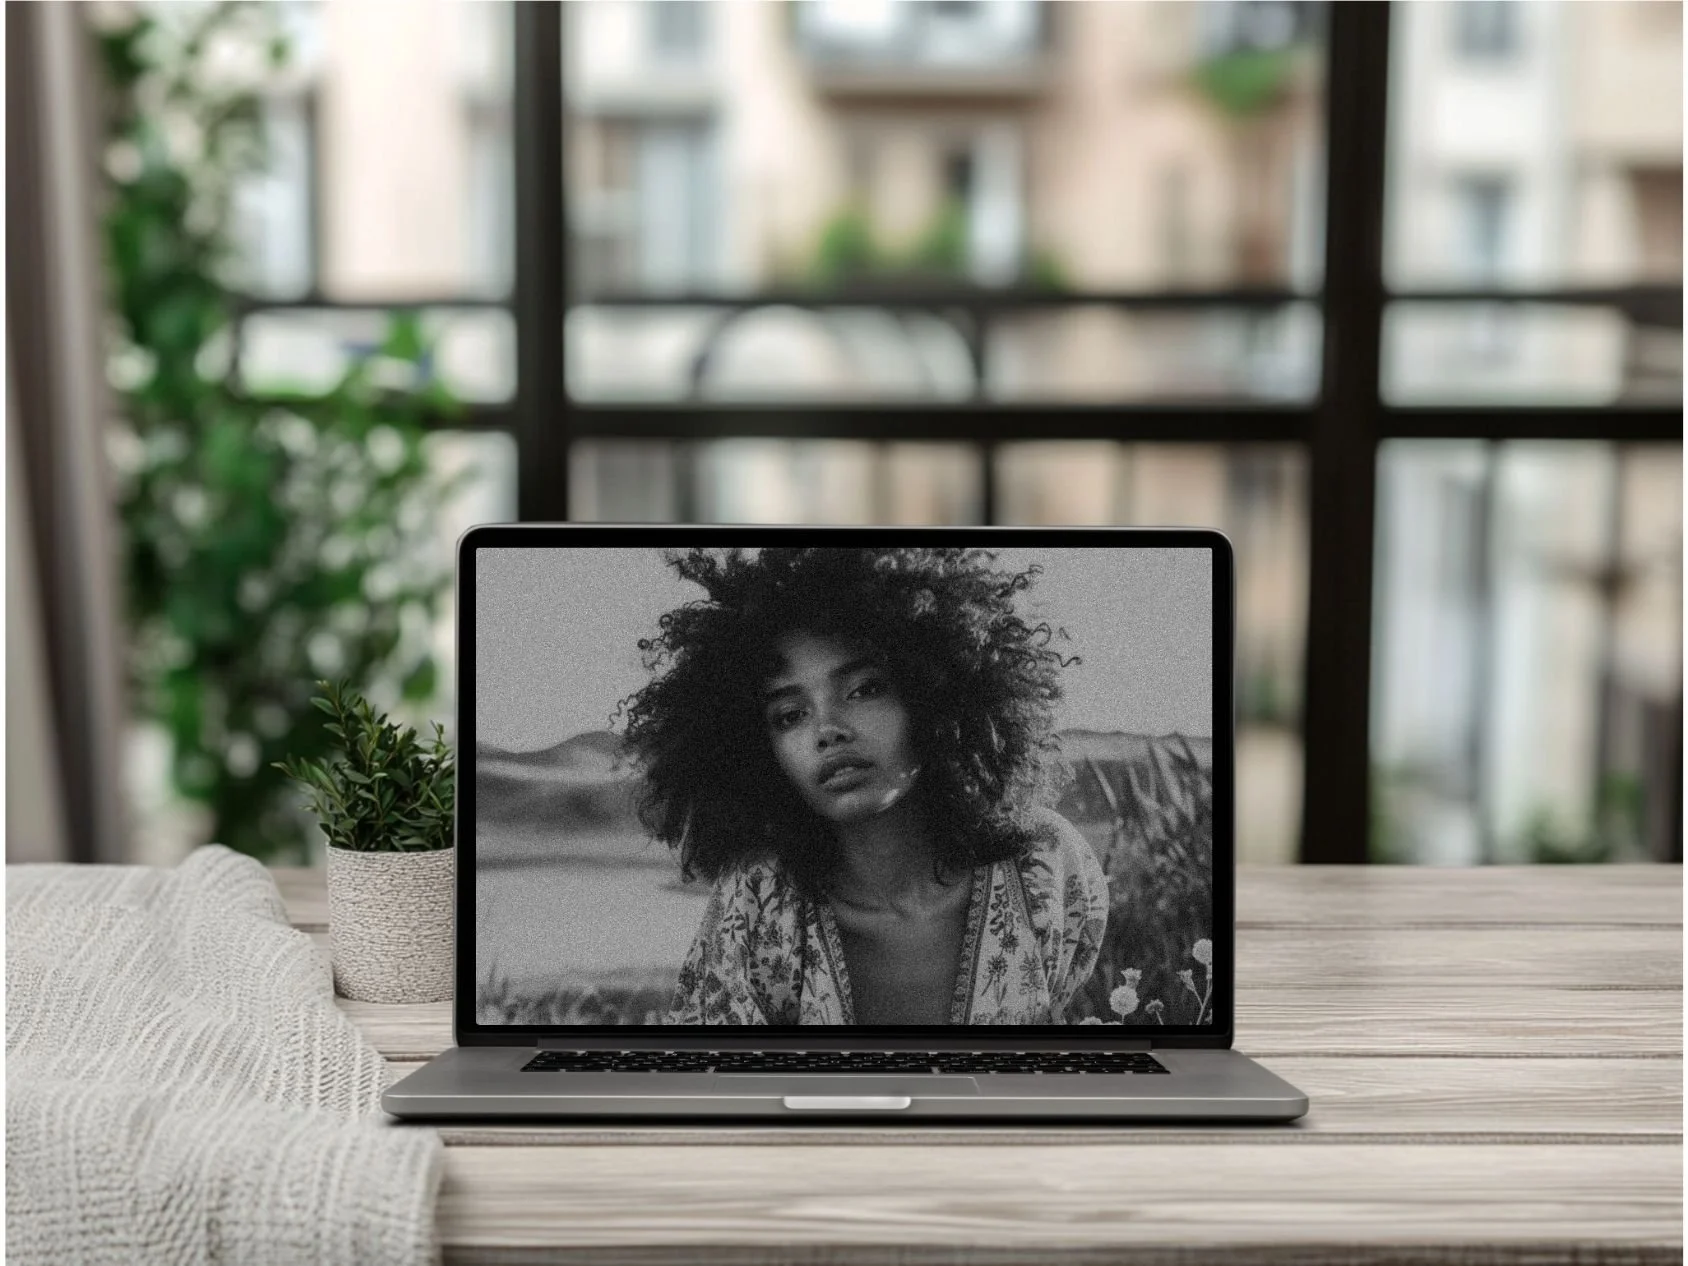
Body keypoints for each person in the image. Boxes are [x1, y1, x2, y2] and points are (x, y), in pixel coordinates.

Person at [619, 547, 1108, 1026]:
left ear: (934, 690)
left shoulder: (1044, 865)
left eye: (864, 689)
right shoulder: (758, 902)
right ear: (757, 748)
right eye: (790, 715)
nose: (826, 729)